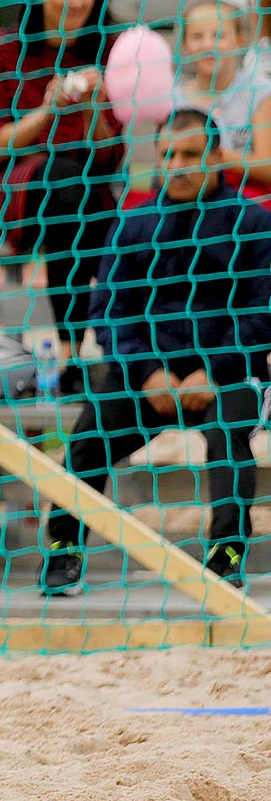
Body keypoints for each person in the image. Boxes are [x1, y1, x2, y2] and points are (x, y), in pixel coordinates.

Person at [41, 108, 271, 596]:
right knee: (88, 435)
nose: (178, 165)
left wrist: (214, 368)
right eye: (168, 155)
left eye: (191, 155)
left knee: (229, 435)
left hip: (227, 372)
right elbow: (107, 310)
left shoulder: (253, 223)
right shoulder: (133, 223)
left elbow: (261, 311)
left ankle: (226, 554)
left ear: (216, 158)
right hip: (147, 372)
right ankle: (64, 551)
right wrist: (147, 372)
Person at [0, 0, 125, 353]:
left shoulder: (111, 51)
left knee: (77, 196)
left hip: (86, 194)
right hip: (13, 190)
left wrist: (94, 107)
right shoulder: (6, 49)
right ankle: (88, 349)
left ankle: (74, 354)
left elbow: (109, 156)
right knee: (64, 183)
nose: (77, 1)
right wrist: (46, 112)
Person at [173, 0, 271, 194]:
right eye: (197, 36)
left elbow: (267, 168)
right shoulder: (176, 98)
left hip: (246, 200)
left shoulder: (260, 93)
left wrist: (212, 155)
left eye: (219, 36)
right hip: (192, 198)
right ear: (185, 44)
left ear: (239, 40)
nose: (208, 45)